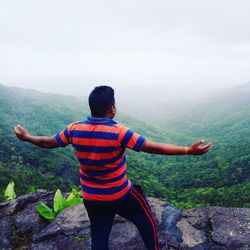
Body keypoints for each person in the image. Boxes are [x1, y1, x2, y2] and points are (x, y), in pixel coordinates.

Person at [14, 85, 211, 250]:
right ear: (113, 109)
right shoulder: (118, 132)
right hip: (120, 194)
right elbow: (154, 147)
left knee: (99, 233)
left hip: (91, 197)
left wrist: (27, 137)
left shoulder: (74, 129)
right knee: (146, 220)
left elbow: (49, 142)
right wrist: (187, 150)